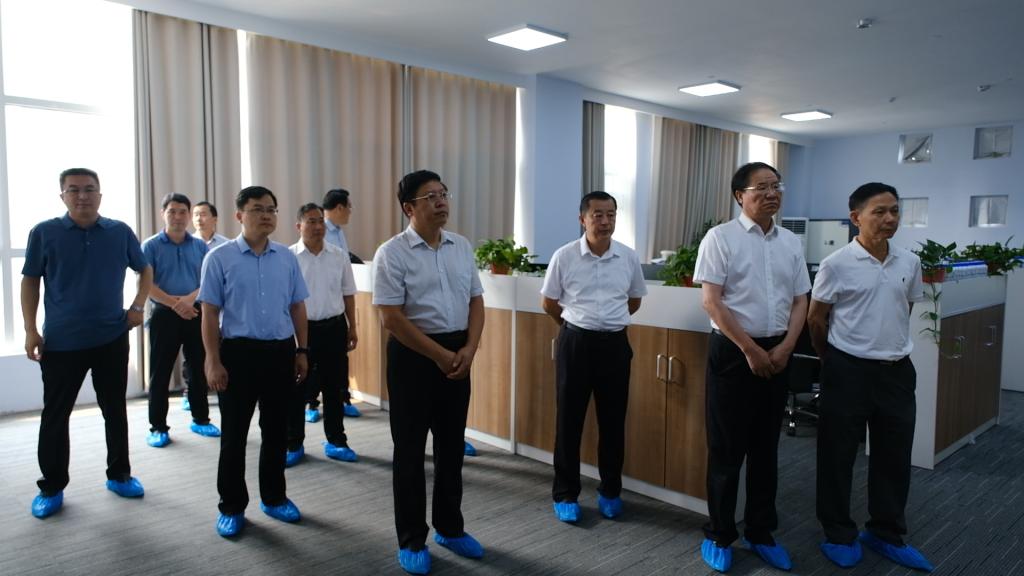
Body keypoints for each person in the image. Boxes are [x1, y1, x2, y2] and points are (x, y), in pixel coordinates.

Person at [807, 182, 933, 571]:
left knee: (894, 457)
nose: (890, 218)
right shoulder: (836, 263)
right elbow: (816, 319)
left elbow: (904, 308)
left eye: (894, 210)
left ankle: (885, 532)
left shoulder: (909, 262)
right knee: (837, 457)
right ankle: (838, 533)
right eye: (879, 211)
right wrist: (831, 358)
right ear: (856, 217)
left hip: (896, 372)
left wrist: (885, 345)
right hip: (847, 370)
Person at [693, 162, 809, 572]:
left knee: (765, 448)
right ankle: (720, 533)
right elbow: (712, 301)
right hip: (732, 352)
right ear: (740, 195)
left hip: (778, 350)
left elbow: (801, 299)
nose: (772, 193)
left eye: (776, 186)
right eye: (762, 187)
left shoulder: (790, 242)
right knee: (726, 449)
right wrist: (749, 349)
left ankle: (761, 531)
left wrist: (787, 346)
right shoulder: (720, 238)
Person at [22, 167, 153, 519]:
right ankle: (51, 486)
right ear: (62, 195)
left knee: (115, 410)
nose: (82, 196)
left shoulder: (119, 231)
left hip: (111, 337)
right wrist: (30, 329)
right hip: (61, 342)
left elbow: (144, 269)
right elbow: (30, 281)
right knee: (56, 415)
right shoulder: (44, 232)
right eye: (74, 189)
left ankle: (119, 474)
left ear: (100, 194)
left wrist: (137, 306)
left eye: (89, 189)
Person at [374, 170, 485, 575]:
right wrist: (440, 355)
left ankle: (450, 528)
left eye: (443, 194)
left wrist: (469, 349)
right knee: (409, 452)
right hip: (413, 356)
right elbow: (391, 318)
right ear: (409, 207)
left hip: (457, 353)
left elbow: (476, 301)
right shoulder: (392, 253)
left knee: (451, 448)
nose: (441, 201)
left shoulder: (461, 246)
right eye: (430, 196)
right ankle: (411, 538)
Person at [198, 185, 309, 538]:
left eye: (272, 209)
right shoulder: (219, 258)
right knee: (234, 435)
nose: (267, 215)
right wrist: (212, 360)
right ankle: (231, 506)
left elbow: (297, 306)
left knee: (276, 431)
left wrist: (302, 351)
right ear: (239, 215)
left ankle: (274, 498)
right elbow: (209, 312)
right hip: (238, 354)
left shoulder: (287, 257)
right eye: (258, 209)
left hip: (280, 353)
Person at [540, 191, 646, 524]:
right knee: (568, 421)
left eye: (611, 214)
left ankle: (610, 491)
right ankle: (565, 494)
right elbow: (549, 303)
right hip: (576, 343)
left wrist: (608, 322)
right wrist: (574, 327)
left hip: (615, 345)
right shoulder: (565, 256)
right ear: (582, 219)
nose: (605, 221)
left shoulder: (628, 257)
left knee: (613, 422)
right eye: (597, 215)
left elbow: (634, 300)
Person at [141, 193, 220, 448]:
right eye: (172, 211)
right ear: (163, 214)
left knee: (198, 368)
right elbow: (146, 284)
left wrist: (187, 301)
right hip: (164, 313)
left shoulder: (199, 246)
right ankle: (158, 427)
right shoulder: (151, 246)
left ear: (188, 215)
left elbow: (207, 281)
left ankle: (201, 419)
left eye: (182, 212)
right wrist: (176, 304)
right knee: (160, 372)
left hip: (195, 312)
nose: (177, 217)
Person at [285, 203, 359, 467]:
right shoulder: (288, 257)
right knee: (296, 388)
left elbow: (348, 294)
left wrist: (352, 326)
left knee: (334, 387)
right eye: (311, 221)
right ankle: (293, 443)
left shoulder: (339, 255)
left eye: (320, 221)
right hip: (300, 331)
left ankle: (337, 441)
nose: (318, 227)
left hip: (334, 328)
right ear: (299, 226)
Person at [319, 187, 362, 419]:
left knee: (339, 363)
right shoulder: (322, 231)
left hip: (337, 307)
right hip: (319, 308)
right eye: (349, 207)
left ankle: (343, 400)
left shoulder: (338, 231)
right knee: (317, 365)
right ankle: (312, 404)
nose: (350, 212)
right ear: (339, 208)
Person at [182, 200, 228, 412]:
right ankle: (189, 392)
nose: (199, 219)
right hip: (191, 305)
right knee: (192, 354)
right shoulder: (187, 243)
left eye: (203, 214)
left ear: (215, 219)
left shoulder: (226, 246)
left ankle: (219, 386)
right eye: (195, 215)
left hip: (217, 305)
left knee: (217, 348)